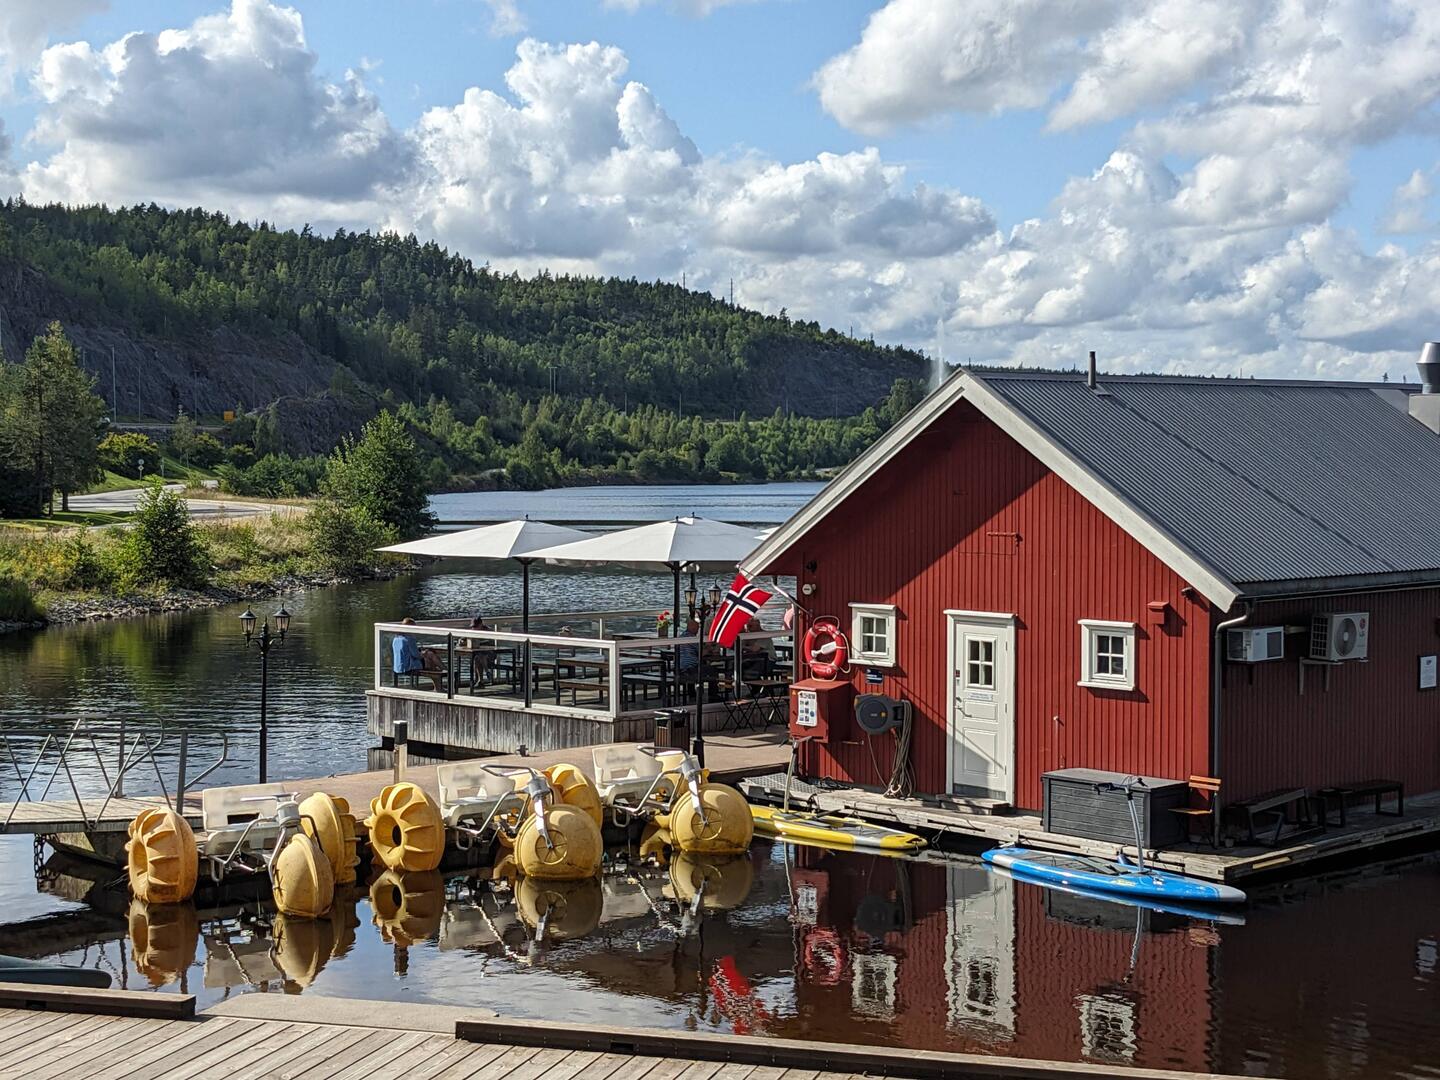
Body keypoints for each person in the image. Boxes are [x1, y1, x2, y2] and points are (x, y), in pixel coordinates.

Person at [392, 616, 444, 691]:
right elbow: (417, 655)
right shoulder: (409, 639)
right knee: (431, 659)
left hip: (398, 666)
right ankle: (445, 672)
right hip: (409, 666)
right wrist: (424, 653)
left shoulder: (396, 638)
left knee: (430, 659)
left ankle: (439, 684)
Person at [465, 614, 496, 688]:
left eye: (475, 626)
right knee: (478, 657)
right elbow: (463, 638)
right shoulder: (472, 632)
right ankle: (485, 674)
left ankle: (481, 680)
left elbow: (491, 644)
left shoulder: (488, 631)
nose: (474, 628)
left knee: (479, 656)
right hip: (479, 655)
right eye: (473, 627)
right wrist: (464, 641)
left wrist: (478, 642)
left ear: (481, 624)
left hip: (490, 654)